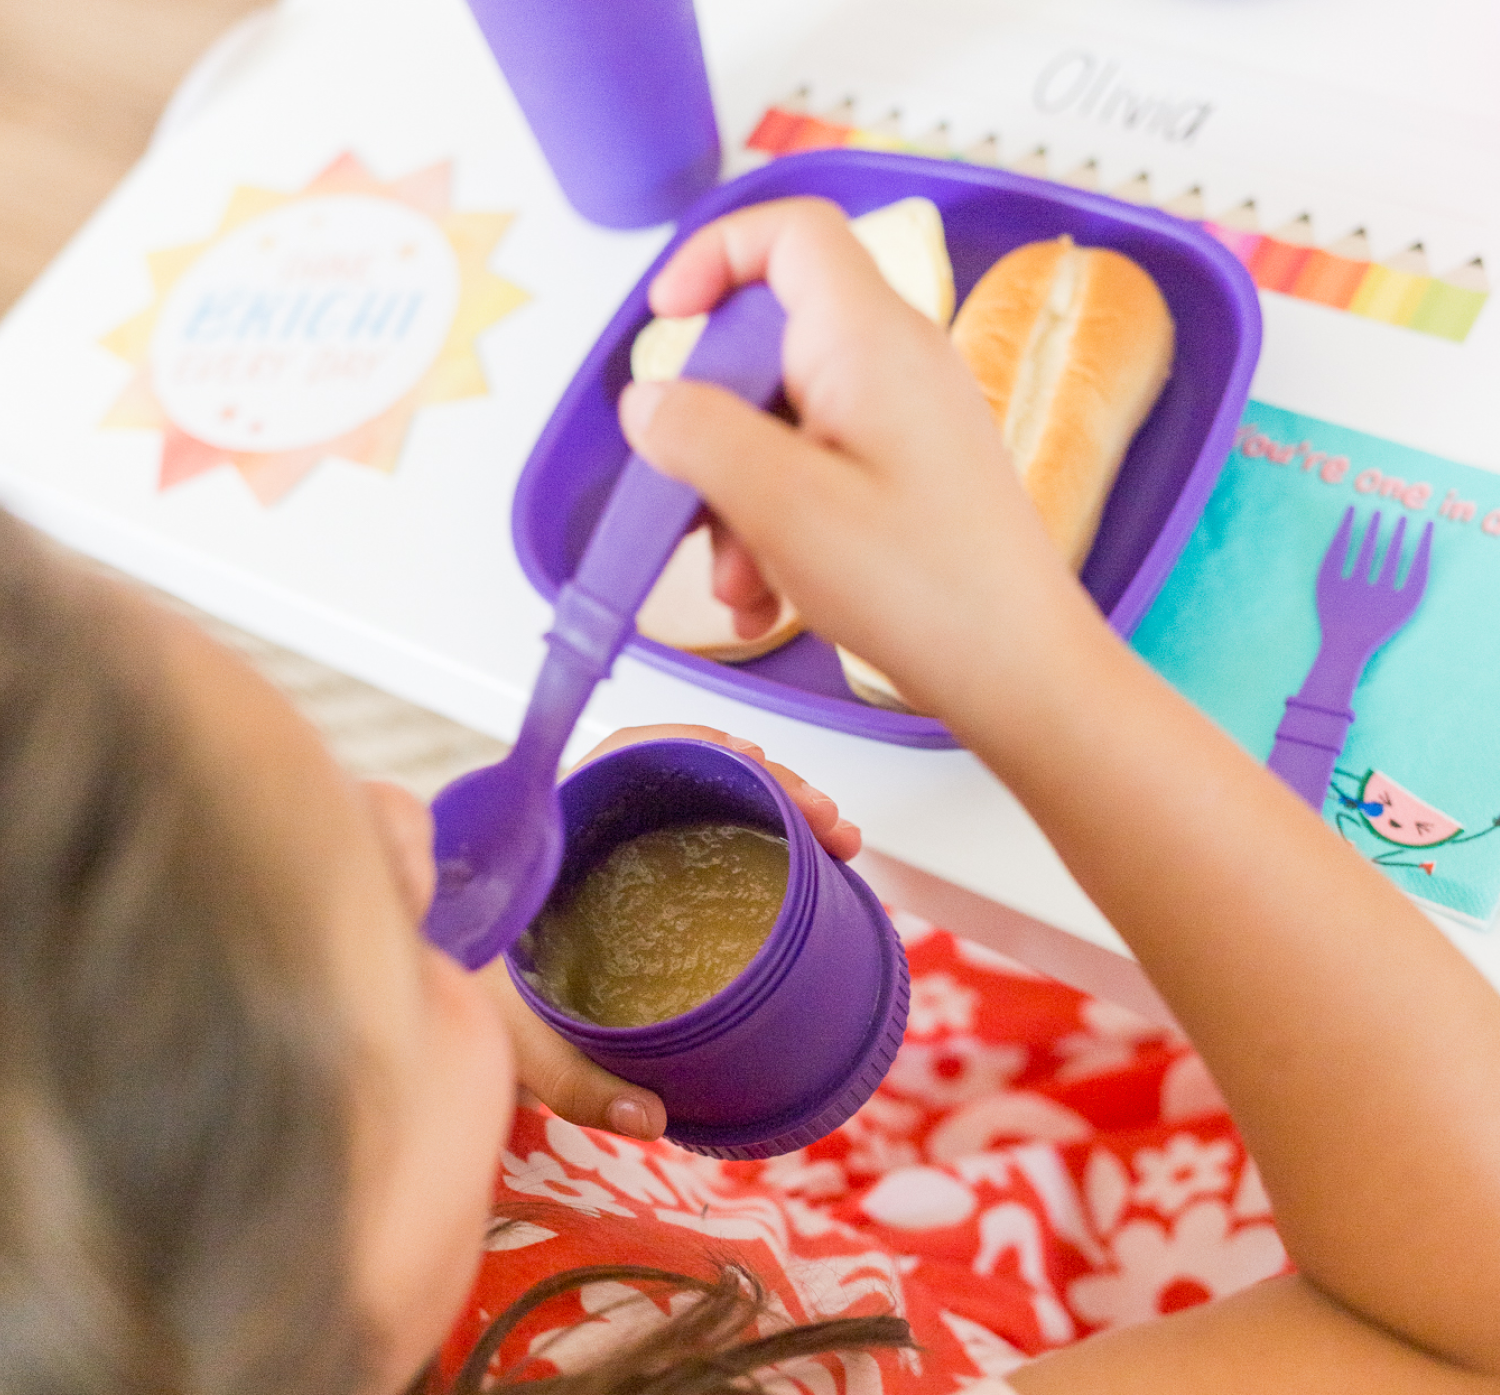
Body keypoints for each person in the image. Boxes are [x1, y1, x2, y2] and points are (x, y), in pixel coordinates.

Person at [1, 196, 1497, 1395]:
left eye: (331, 791)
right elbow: (1458, 1316)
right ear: (288, 1264)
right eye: (385, 927)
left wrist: (476, 1044)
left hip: (861, 1175)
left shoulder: (234, 1272)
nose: (410, 818)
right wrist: (1024, 659)